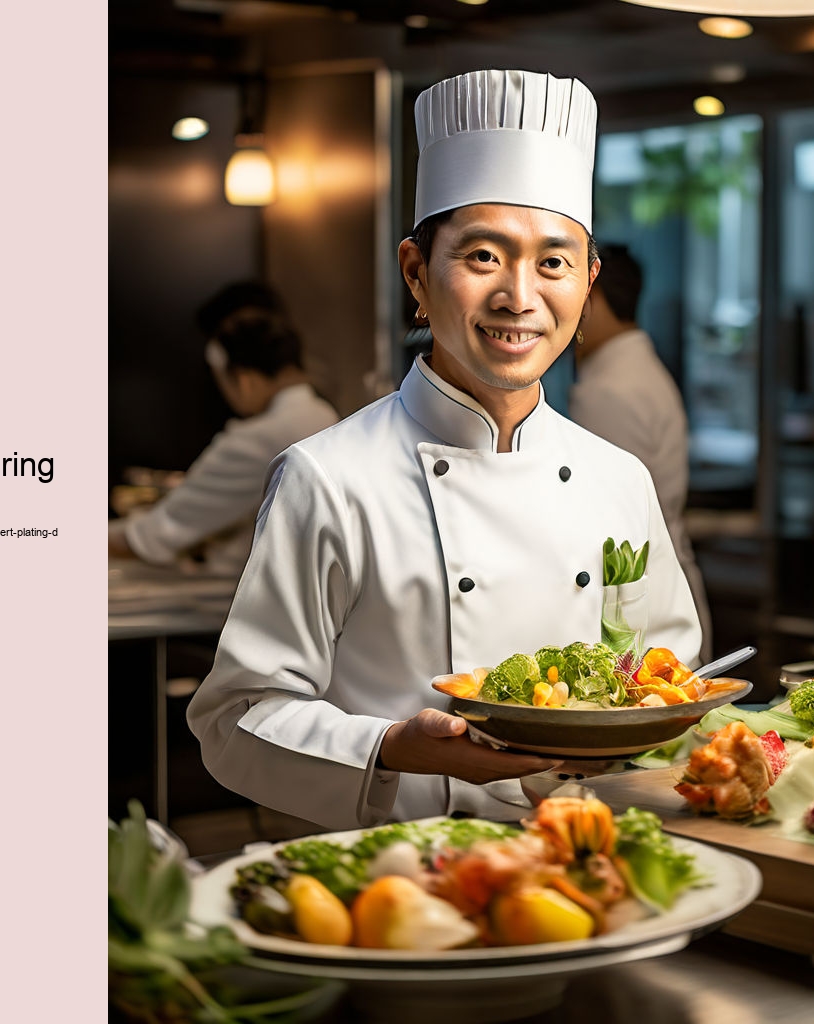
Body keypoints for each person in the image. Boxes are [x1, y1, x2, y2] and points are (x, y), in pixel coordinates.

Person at [188, 69, 701, 830]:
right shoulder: (329, 477)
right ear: (416, 273)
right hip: (394, 878)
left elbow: (669, 684)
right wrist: (393, 747)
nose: (519, 298)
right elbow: (236, 721)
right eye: (483, 256)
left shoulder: (616, 479)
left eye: (553, 263)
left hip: (581, 862)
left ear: (588, 283)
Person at [109, 308, 338, 573]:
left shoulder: (258, 438)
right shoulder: (326, 414)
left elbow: (157, 535)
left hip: (245, 599)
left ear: (244, 381)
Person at [568, 244, 712, 663]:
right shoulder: (628, 370)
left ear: (590, 297)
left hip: (640, 611)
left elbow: (608, 521)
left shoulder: (611, 388)